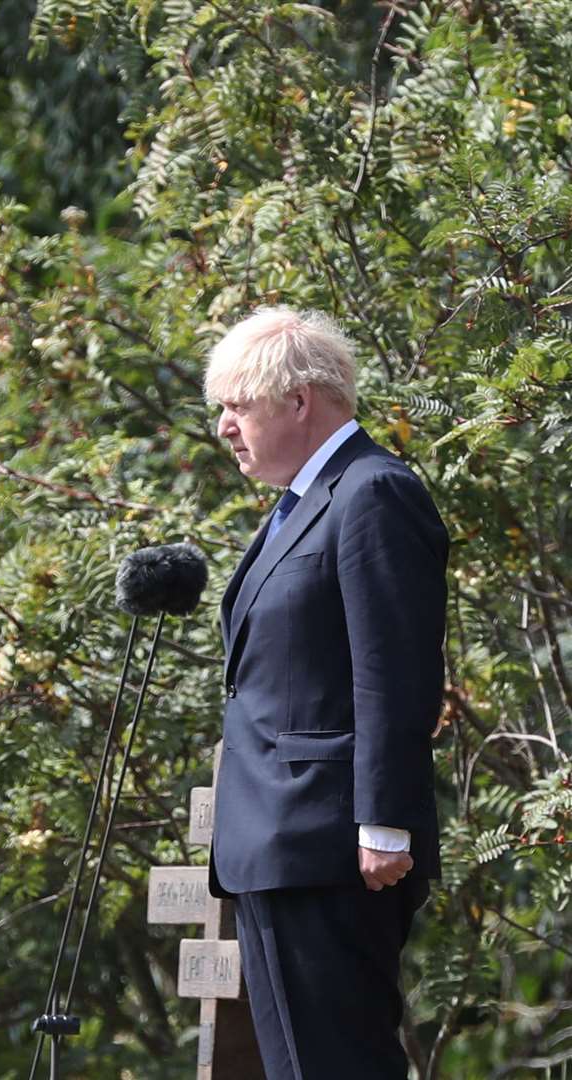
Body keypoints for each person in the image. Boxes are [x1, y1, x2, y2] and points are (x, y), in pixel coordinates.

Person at [204, 307, 446, 1078]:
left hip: (332, 847)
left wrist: (384, 822)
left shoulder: (371, 492)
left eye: (237, 406)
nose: (223, 428)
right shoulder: (300, 504)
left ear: (298, 401)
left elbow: (393, 669)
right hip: (276, 846)